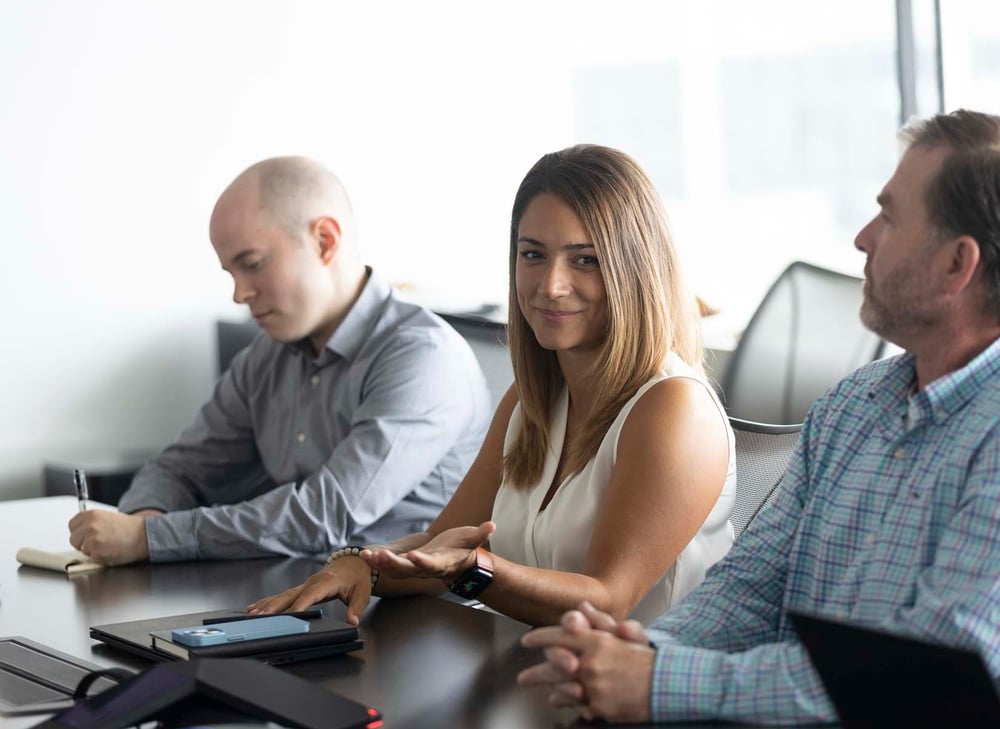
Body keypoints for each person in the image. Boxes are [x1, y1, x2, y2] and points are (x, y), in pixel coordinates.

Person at [518, 109, 1000, 725]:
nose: (863, 236)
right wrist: (637, 654)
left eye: (891, 216)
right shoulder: (853, 406)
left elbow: (922, 682)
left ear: (958, 264)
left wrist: (663, 681)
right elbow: (751, 586)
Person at [249, 145, 736, 628]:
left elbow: (606, 601)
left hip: (650, 693)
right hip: (544, 676)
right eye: (533, 255)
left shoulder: (674, 406)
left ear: (636, 269)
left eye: (584, 260)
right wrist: (360, 564)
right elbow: (444, 542)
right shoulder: (533, 399)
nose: (551, 284)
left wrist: (473, 570)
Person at [68, 156, 492, 565]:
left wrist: (150, 540)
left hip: (412, 616)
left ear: (325, 241)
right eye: (230, 274)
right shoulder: (267, 357)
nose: (239, 294)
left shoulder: (422, 358)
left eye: (251, 265)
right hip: (300, 600)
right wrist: (146, 518)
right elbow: (179, 469)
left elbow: (325, 516)